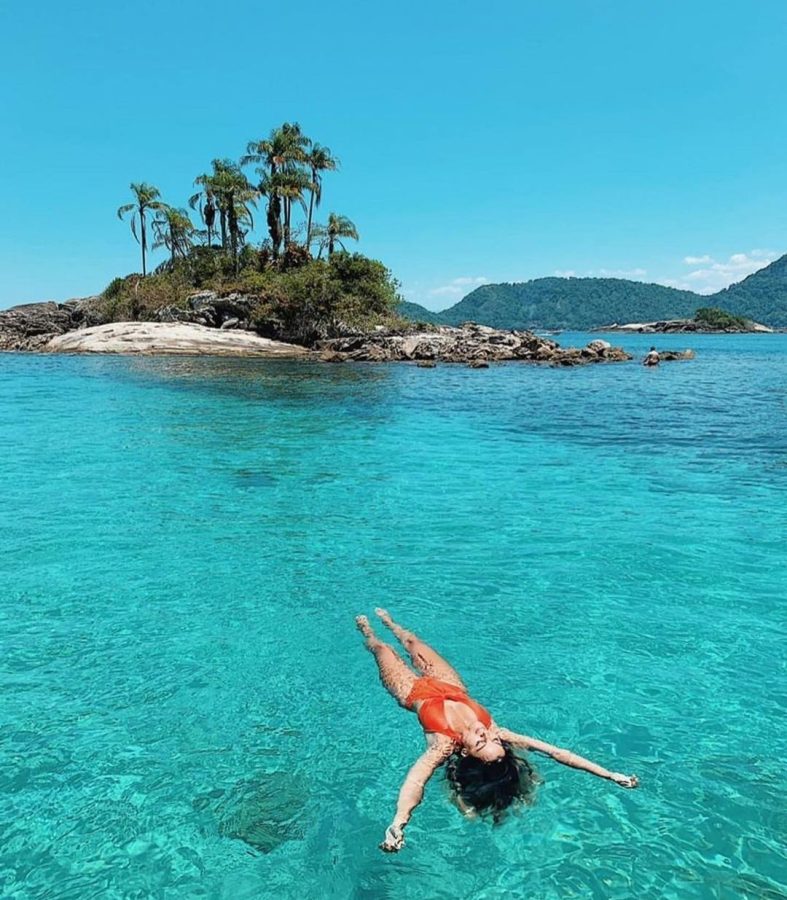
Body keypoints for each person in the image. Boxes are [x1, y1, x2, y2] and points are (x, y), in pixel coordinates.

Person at [356, 609, 639, 852]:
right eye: (491, 738)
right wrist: (610, 773)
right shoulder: (497, 732)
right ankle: (391, 623)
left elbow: (415, 783)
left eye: (481, 742)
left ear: (466, 751)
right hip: (450, 685)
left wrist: (398, 822)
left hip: (412, 692)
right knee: (411, 641)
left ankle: (367, 632)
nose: (485, 733)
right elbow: (557, 752)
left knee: (383, 649)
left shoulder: (442, 745)